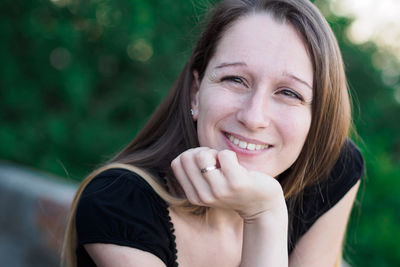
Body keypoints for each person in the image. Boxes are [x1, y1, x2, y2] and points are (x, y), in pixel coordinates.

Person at [62, 0, 364, 266]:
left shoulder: (330, 172)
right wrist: (265, 215)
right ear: (197, 91)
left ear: (317, 116)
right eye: (235, 79)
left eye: (288, 92)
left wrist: (265, 211)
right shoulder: (119, 203)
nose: (253, 117)